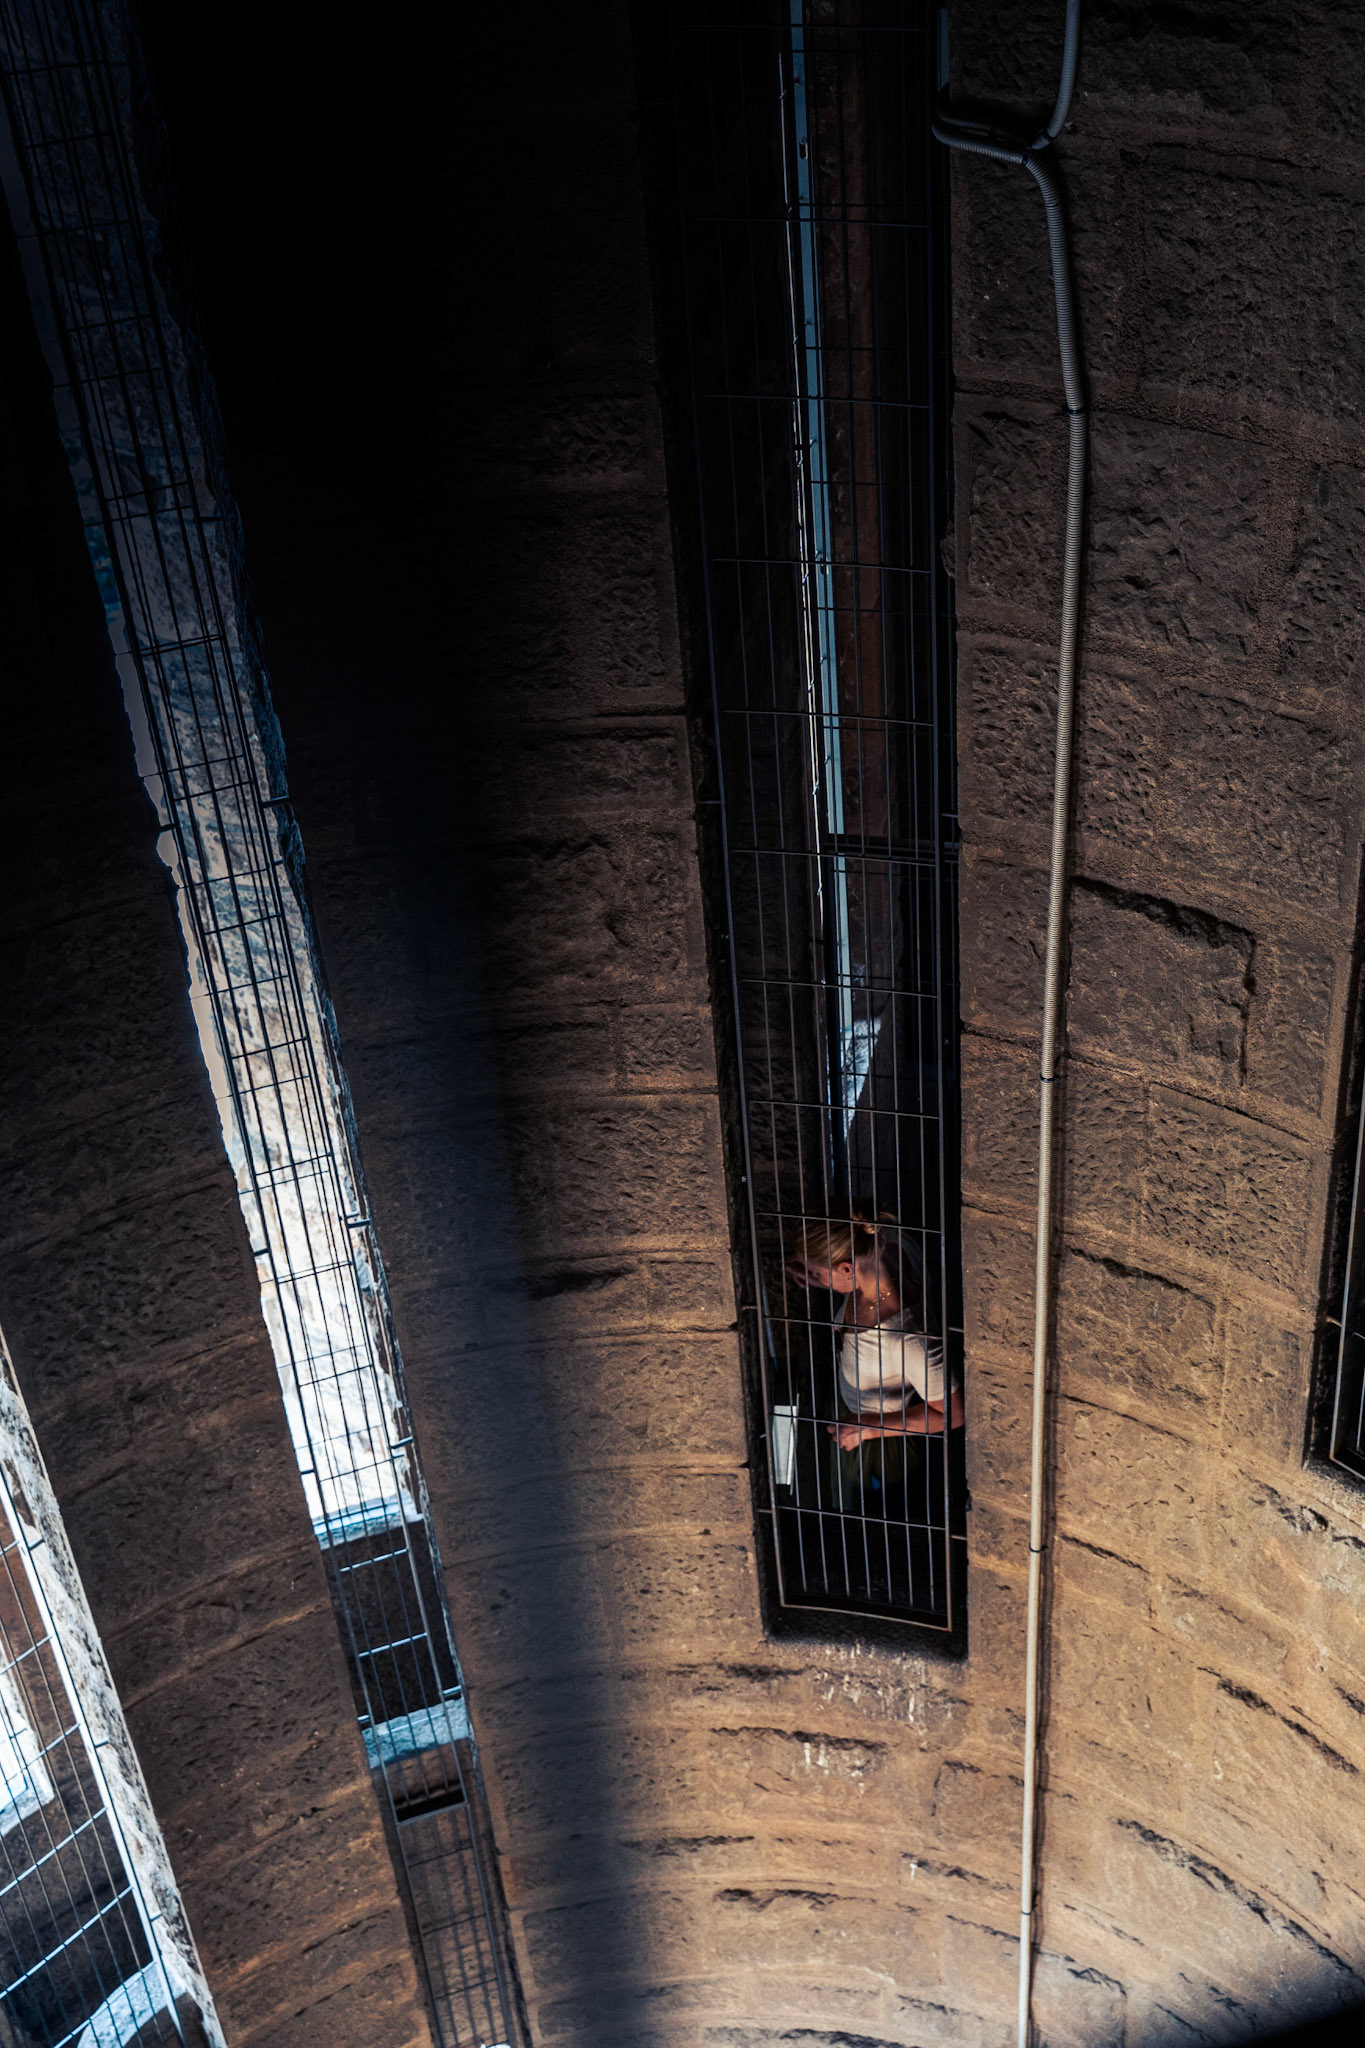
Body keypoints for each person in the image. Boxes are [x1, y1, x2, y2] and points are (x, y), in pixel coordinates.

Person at [786, 1212, 962, 1542]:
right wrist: (815, 1274)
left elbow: (953, 1414)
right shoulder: (880, 1245)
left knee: (881, 1512)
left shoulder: (908, 1339)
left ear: (847, 1268)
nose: (816, 1278)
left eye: (819, 1272)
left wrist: (868, 1427)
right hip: (858, 1415)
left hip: (886, 1440)